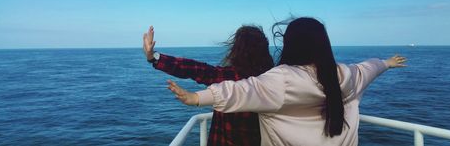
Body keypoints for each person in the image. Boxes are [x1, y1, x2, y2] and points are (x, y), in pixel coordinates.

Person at [166, 17, 407, 146]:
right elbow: (368, 68)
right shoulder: (345, 74)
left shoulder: (282, 79)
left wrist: (197, 98)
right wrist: (386, 63)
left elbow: (239, 90)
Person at [143, 25, 274, 146]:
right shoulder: (273, 81)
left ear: (238, 50)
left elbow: (195, 69)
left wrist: (154, 57)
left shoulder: (230, 77)